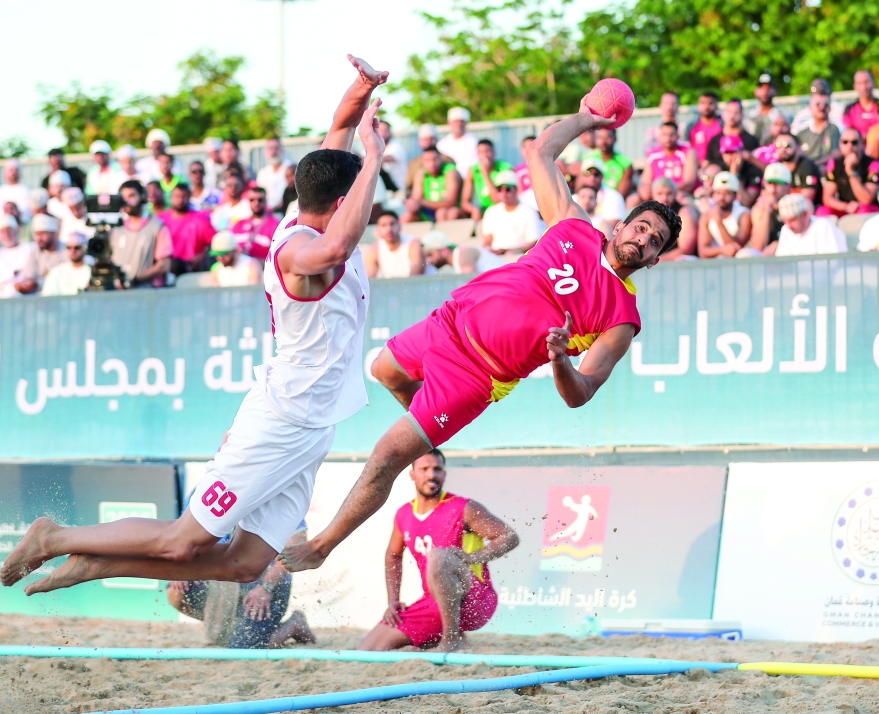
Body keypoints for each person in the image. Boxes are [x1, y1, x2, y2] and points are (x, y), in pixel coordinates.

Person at [0, 54, 387, 595]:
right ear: (344, 201)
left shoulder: (311, 211)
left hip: (312, 424)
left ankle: (97, 564)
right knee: (185, 540)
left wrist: (363, 88)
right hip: (284, 420)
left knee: (245, 563)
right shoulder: (301, 251)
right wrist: (375, 156)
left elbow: (339, 128)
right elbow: (341, 241)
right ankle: (55, 538)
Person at [278, 94, 681, 574]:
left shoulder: (623, 317)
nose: (643, 239)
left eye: (654, 241)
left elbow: (582, 393)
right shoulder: (573, 225)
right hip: (448, 323)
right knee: (382, 368)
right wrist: (588, 118)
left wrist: (559, 360)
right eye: (642, 228)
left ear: (655, 259)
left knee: (386, 456)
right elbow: (540, 150)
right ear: (621, 225)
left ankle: (321, 547)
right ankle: (427, 432)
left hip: (475, 377)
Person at [358, 449, 518, 652]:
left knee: (439, 556)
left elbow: (509, 537)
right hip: (434, 602)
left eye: (437, 469)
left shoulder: (462, 507)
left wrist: (471, 558)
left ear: (444, 474)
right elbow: (393, 556)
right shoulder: (404, 513)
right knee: (367, 650)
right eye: (424, 469)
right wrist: (393, 601)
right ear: (412, 474)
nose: (431, 474)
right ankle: (435, 639)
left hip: (474, 600)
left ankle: (451, 639)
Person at [168, 525, 317, 650]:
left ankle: (293, 625)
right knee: (176, 590)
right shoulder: (206, 492)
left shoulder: (282, 496)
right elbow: (185, 537)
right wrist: (182, 569)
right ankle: (232, 626)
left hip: (264, 583)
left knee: (246, 648)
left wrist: (265, 587)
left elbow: (296, 546)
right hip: (223, 579)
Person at [111, 180, 174, 288]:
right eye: (124, 197)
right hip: (118, 296)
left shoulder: (157, 226)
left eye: (131, 196)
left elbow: (164, 265)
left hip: (147, 294)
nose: (127, 201)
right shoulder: (117, 229)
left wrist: (135, 281)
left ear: (142, 197)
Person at [479, 170, 544, 257]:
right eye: (499, 189)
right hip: (496, 256)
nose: (504, 193)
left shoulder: (529, 212)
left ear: (516, 190)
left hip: (518, 256)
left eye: (508, 189)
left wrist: (508, 251)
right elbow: (488, 240)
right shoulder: (491, 212)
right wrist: (488, 250)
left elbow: (533, 243)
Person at [818, 128, 879, 218]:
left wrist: (850, 172)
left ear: (861, 144)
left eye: (854, 142)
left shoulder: (873, 165)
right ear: (840, 144)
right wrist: (845, 207)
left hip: (867, 209)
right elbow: (827, 198)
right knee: (822, 211)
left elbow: (866, 199)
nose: (849, 146)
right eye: (845, 142)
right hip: (846, 207)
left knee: (863, 211)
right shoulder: (834, 164)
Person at [160, 183, 214, 274]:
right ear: (171, 197)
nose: (180, 200)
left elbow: (214, 243)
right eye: (177, 196)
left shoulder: (200, 220)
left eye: (184, 196)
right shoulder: (161, 220)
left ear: (190, 197)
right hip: (166, 270)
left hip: (192, 271)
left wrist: (202, 256)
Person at [636, 122, 698, 202]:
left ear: (678, 136)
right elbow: (644, 182)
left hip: (679, 194)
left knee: (682, 199)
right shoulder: (652, 154)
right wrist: (644, 191)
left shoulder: (688, 152)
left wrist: (665, 191)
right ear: (659, 137)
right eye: (664, 135)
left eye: (671, 135)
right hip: (656, 195)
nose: (668, 138)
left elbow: (689, 183)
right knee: (633, 200)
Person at [697, 172, 751, 258]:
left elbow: (735, 249)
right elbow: (703, 252)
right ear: (713, 195)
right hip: (716, 261)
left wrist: (719, 222)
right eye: (718, 193)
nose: (722, 197)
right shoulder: (706, 216)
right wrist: (722, 250)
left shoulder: (744, 214)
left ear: (735, 196)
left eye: (727, 193)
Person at [774, 193, 847, 256]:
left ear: (805, 214)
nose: (789, 226)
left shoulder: (822, 226)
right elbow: (782, 264)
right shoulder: (786, 229)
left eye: (792, 220)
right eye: (785, 221)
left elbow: (833, 262)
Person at [402, 148, 462, 223]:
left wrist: (422, 202)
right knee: (405, 217)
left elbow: (450, 202)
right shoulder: (421, 173)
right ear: (423, 162)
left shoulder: (451, 172)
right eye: (427, 160)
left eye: (435, 159)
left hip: (448, 210)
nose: (431, 163)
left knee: (443, 213)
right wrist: (413, 204)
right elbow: (416, 199)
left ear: (441, 159)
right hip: (428, 211)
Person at [0, 159, 31, 246]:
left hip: (19, 233)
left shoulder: (26, 191)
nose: (14, 173)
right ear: (4, 173)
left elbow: (27, 215)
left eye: (16, 170)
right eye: (11, 170)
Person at [461, 140, 512, 221]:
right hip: (483, 210)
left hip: (501, 210)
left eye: (487, 151)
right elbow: (464, 202)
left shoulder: (504, 168)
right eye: (481, 152)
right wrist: (474, 210)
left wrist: (485, 173)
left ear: (494, 153)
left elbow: (498, 201)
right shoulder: (472, 170)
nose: (484, 155)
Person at [0, 214, 33, 299]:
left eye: (9, 230)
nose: (6, 234)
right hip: (3, 297)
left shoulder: (30, 248)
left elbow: (31, 276)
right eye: (3, 231)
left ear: (17, 230)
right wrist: (12, 274)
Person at [748, 163, 792, 257]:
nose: (773, 189)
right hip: (767, 254)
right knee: (745, 254)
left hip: (792, 250)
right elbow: (758, 246)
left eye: (778, 184)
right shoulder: (759, 209)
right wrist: (766, 210)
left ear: (787, 186)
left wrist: (779, 245)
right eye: (770, 183)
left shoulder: (798, 204)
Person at [363, 211, 424, 279]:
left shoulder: (413, 243)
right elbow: (369, 278)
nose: (389, 229)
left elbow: (415, 277)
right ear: (378, 230)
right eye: (383, 225)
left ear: (399, 225)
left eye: (392, 224)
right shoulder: (374, 249)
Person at [16, 214, 67, 294]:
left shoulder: (67, 249)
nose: (39, 238)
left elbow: (65, 280)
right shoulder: (35, 250)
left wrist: (38, 283)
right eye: (37, 234)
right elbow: (30, 275)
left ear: (54, 234)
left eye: (43, 234)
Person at [649, 178, 698, 260]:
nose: (664, 198)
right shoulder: (649, 213)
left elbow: (686, 250)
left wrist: (655, 261)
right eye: (660, 194)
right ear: (653, 195)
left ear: (675, 194)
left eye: (669, 193)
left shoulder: (685, 213)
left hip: (681, 262)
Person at [705, 99, 761, 170]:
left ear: (742, 116)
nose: (732, 116)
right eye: (729, 111)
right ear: (723, 114)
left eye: (736, 112)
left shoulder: (751, 140)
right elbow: (708, 163)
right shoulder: (714, 141)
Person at [772, 132, 823, 207]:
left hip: (807, 210)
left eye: (788, 145)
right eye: (778, 146)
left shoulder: (808, 166)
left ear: (798, 147)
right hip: (782, 208)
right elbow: (768, 194)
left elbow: (807, 199)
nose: (783, 149)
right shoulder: (775, 168)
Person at [422, 230, 505, 275]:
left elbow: (470, 286)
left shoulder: (463, 252)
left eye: (430, 255)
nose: (428, 260)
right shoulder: (459, 258)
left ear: (444, 250)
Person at [232, 187, 280, 262]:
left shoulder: (275, 225)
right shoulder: (239, 224)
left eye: (260, 200)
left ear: (265, 201)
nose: (256, 203)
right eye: (252, 200)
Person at [796, 91, 842, 168]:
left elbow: (837, 153)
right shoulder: (801, 130)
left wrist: (816, 163)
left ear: (830, 108)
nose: (822, 107)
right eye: (818, 104)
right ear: (810, 107)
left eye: (826, 105)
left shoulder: (836, 128)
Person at [584, 128, 633, 197]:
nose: (603, 141)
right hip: (590, 200)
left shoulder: (625, 163)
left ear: (615, 138)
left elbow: (620, 196)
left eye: (608, 137)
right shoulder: (589, 158)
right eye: (600, 138)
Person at [575, 158, 627, 224]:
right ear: (581, 176)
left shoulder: (614, 196)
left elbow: (613, 225)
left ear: (602, 176)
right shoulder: (573, 197)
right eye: (587, 173)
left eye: (596, 174)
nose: (592, 178)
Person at [717, 134, 763, 207]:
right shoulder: (720, 169)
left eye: (733, 152)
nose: (729, 157)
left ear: (742, 152)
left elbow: (746, 202)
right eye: (726, 153)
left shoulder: (753, 170)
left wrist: (735, 176)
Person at [405, 125, 450, 194]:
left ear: (437, 140)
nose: (429, 142)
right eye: (425, 139)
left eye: (431, 139)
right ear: (420, 142)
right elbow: (409, 186)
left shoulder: (447, 160)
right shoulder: (413, 164)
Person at [436, 107, 479, 177]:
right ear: (449, 123)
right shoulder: (441, 145)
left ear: (466, 123)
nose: (459, 124)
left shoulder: (474, 142)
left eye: (462, 121)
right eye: (456, 121)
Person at [256, 138, 292, 211]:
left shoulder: (291, 169)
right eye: (270, 148)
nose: (273, 152)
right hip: (267, 213)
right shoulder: (262, 173)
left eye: (276, 148)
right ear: (265, 152)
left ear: (282, 150)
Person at [746, 74, 784, 144]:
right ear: (756, 92)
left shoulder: (782, 114)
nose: (765, 92)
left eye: (768, 88)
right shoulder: (750, 115)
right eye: (761, 88)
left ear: (775, 91)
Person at [687, 91, 723, 165]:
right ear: (698, 105)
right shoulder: (691, 126)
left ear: (716, 105)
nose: (706, 107)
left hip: (717, 165)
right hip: (695, 166)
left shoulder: (723, 125)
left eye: (710, 103)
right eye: (703, 103)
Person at [844, 71, 879, 145]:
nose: (864, 87)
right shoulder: (849, 110)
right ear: (855, 86)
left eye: (866, 82)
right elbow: (849, 137)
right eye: (859, 83)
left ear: (873, 83)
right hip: (858, 151)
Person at [379, 120, 408, 192]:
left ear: (390, 132)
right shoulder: (369, 149)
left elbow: (385, 158)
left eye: (385, 130)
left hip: (399, 191)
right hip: (383, 191)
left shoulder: (396, 147)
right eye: (380, 130)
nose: (383, 133)